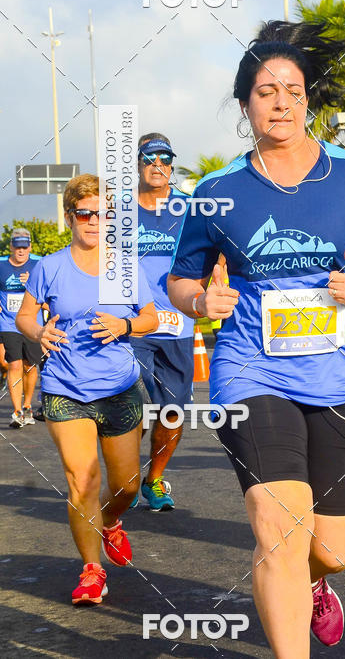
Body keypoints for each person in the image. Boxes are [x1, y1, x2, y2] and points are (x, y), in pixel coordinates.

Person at [167, 20, 345, 656]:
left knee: (332, 548)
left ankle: (313, 586)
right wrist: (201, 300)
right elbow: (180, 278)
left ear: (308, 99)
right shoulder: (219, 192)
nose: (280, 100)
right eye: (264, 90)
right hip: (252, 370)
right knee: (280, 530)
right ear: (244, 103)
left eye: (292, 88)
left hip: (343, 376)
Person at [16, 174, 158, 605]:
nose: (94, 221)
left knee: (127, 485)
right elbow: (25, 316)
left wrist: (126, 325)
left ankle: (112, 521)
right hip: (64, 387)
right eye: (85, 213)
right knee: (82, 480)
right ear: (70, 217)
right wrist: (38, 331)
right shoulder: (51, 266)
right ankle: (92, 570)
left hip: (118, 388)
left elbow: (152, 318)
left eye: (102, 213)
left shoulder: (125, 266)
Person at [130, 133, 195, 511]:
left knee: (172, 413)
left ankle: (153, 480)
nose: (159, 165)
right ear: (138, 164)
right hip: (132, 324)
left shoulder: (190, 209)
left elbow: (215, 252)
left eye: (166, 159)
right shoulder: (118, 211)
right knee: (129, 403)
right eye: (150, 158)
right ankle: (123, 474)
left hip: (177, 325)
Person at [0, 228, 43, 426]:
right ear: (11, 247)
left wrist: (31, 284)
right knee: (14, 364)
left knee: (30, 366)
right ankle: (16, 411)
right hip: (9, 323)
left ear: (30, 247)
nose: (21, 251)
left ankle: (27, 406)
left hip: (33, 324)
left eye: (24, 247)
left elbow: (48, 297)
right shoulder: (1, 264)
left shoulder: (39, 264)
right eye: (17, 247)